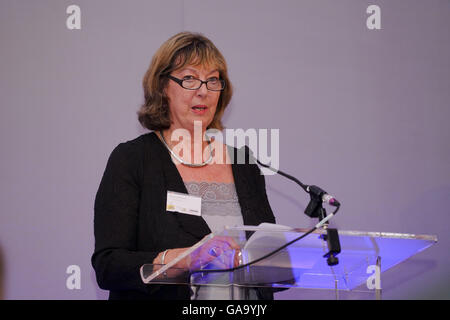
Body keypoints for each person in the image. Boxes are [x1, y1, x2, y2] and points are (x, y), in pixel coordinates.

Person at [91, 31, 276, 300]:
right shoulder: (133, 160)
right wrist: (181, 261)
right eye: (190, 78)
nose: (203, 90)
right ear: (163, 86)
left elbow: (270, 262)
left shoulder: (244, 163)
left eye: (213, 80)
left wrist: (289, 255)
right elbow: (109, 266)